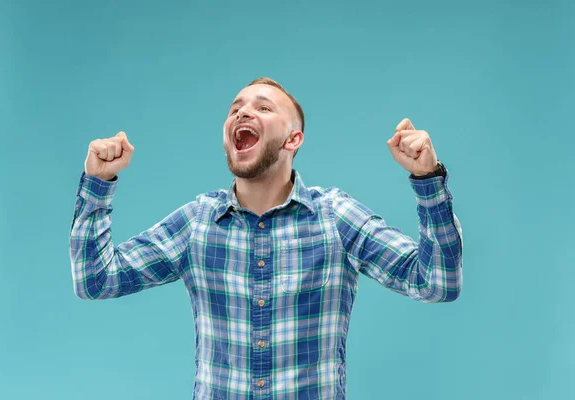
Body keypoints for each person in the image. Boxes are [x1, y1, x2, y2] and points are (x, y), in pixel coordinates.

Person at [70, 77, 463, 400]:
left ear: (293, 140)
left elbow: (436, 283)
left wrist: (427, 180)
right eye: (235, 108)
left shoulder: (336, 217)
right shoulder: (197, 223)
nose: (242, 111)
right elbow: (95, 280)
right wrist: (99, 184)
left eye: (262, 107)